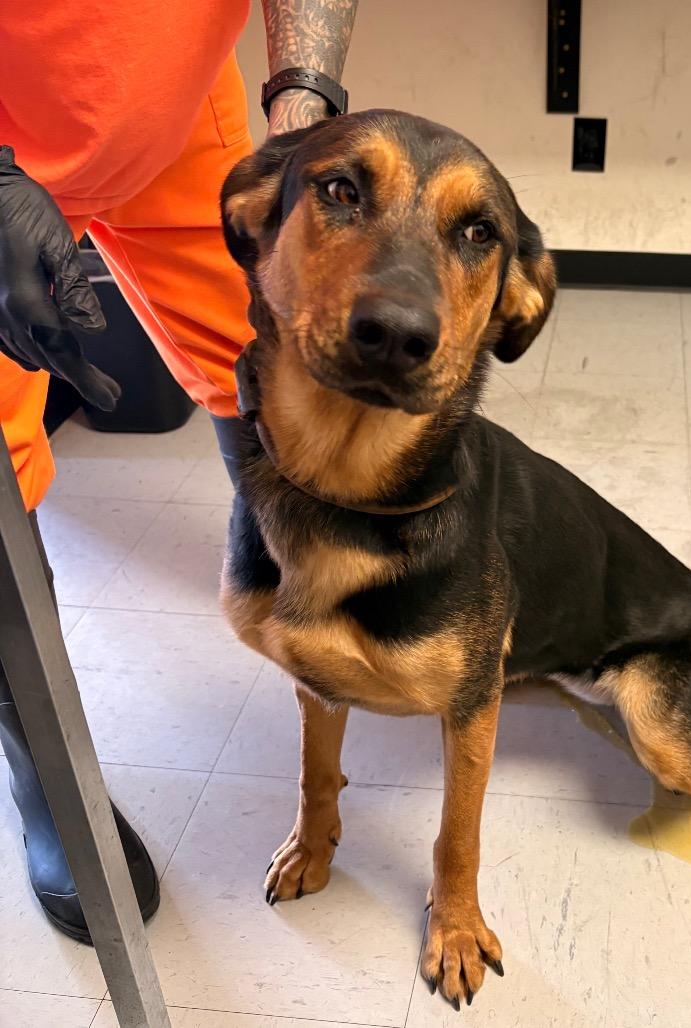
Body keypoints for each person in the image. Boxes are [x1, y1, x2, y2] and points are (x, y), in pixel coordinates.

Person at [0, 0, 358, 944]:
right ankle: (45, 776)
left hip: (177, 111)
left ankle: (325, 614)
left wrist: (303, 108)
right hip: (6, 147)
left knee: (276, 367)